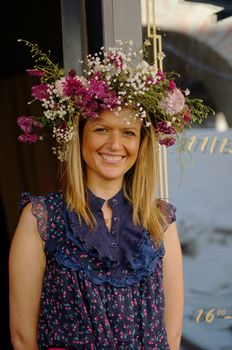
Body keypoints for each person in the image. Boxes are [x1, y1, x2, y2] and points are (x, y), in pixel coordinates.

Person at [9, 39, 210, 350]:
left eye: (128, 132)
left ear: (141, 144)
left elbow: (170, 337)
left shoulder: (161, 221)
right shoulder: (41, 218)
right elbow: (22, 338)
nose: (115, 145)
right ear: (80, 137)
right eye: (101, 129)